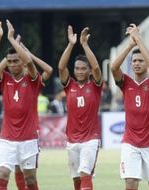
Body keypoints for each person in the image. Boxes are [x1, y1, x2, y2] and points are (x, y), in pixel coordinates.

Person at [0, 16, 43, 190]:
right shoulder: (4, 80)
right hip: (7, 139)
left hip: (28, 139)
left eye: (15, 61)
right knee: (2, 173)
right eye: (9, 62)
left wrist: (11, 39)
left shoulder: (33, 80)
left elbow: (29, 62)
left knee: (30, 179)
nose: (12, 65)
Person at [110, 23, 149, 190]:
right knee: (131, 184)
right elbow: (113, 67)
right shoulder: (126, 83)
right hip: (130, 143)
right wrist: (130, 45)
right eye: (134, 61)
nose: (137, 63)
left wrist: (139, 39)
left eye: (141, 60)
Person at [0, 36, 53, 190]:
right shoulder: (9, 79)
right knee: (16, 168)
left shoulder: (32, 81)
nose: (15, 66)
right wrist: (14, 46)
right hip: (13, 134)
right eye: (12, 62)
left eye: (19, 62)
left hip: (30, 131)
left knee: (28, 174)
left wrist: (28, 53)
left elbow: (48, 70)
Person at [58, 25, 102, 190]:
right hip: (72, 139)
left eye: (84, 68)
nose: (80, 71)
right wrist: (70, 44)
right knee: (76, 179)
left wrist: (84, 44)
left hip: (90, 139)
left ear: (89, 71)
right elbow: (61, 68)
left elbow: (97, 67)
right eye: (77, 68)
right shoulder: (69, 86)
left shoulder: (95, 86)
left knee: (85, 173)